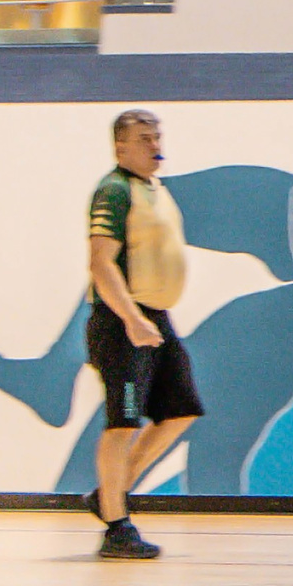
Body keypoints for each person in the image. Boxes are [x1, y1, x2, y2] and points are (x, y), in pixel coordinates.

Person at [84, 109, 202, 560]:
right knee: (123, 421)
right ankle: (116, 526)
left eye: (158, 136)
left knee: (182, 410)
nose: (155, 145)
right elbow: (100, 262)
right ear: (121, 147)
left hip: (156, 319)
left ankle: (108, 494)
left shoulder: (156, 190)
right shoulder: (113, 191)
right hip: (123, 323)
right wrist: (131, 317)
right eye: (144, 138)